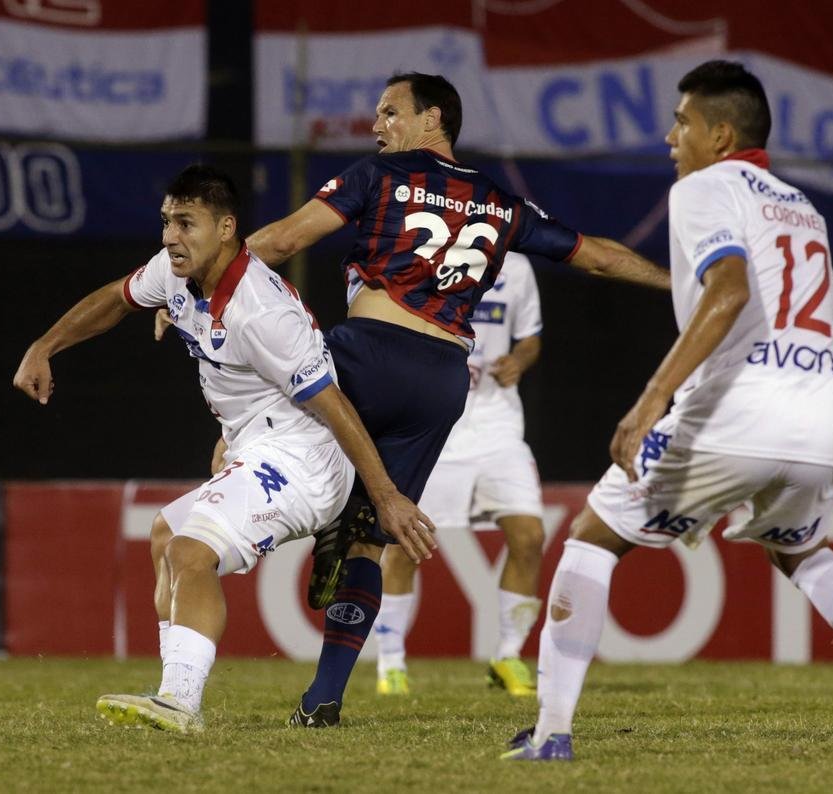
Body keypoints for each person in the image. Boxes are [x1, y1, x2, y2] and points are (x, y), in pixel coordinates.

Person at [502, 61, 833, 763]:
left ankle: (552, 733)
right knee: (799, 550)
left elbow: (729, 289)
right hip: (822, 419)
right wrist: (795, 410)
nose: (669, 136)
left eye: (681, 121)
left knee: (591, 537)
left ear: (720, 133)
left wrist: (652, 403)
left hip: (736, 413)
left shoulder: (705, 187)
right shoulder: (804, 208)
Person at [245, 72, 670, 727]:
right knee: (372, 541)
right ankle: (322, 698)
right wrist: (679, 286)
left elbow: (281, 242)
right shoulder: (500, 203)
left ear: (432, 118)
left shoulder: (377, 176)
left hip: (366, 355)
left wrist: (194, 282)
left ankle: (256, 510)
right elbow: (602, 259)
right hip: (443, 379)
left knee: (252, 422)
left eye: (390, 111)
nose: (376, 125)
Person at [12, 164, 433, 734]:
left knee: (192, 550)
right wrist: (44, 346)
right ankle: (171, 692)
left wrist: (384, 497)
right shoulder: (174, 273)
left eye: (186, 223)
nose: (170, 237)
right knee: (165, 537)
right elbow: (115, 299)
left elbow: (334, 406)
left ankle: (181, 704)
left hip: (303, 456)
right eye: (166, 221)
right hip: (258, 445)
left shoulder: (262, 312)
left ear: (227, 228)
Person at [375, 251, 547, 697]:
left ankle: (508, 656)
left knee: (528, 536)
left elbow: (530, 338)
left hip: (497, 426)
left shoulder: (518, 267)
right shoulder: (421, 255)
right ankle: (390, 664)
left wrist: (519, 360)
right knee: (404, 544)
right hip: (435, 424)